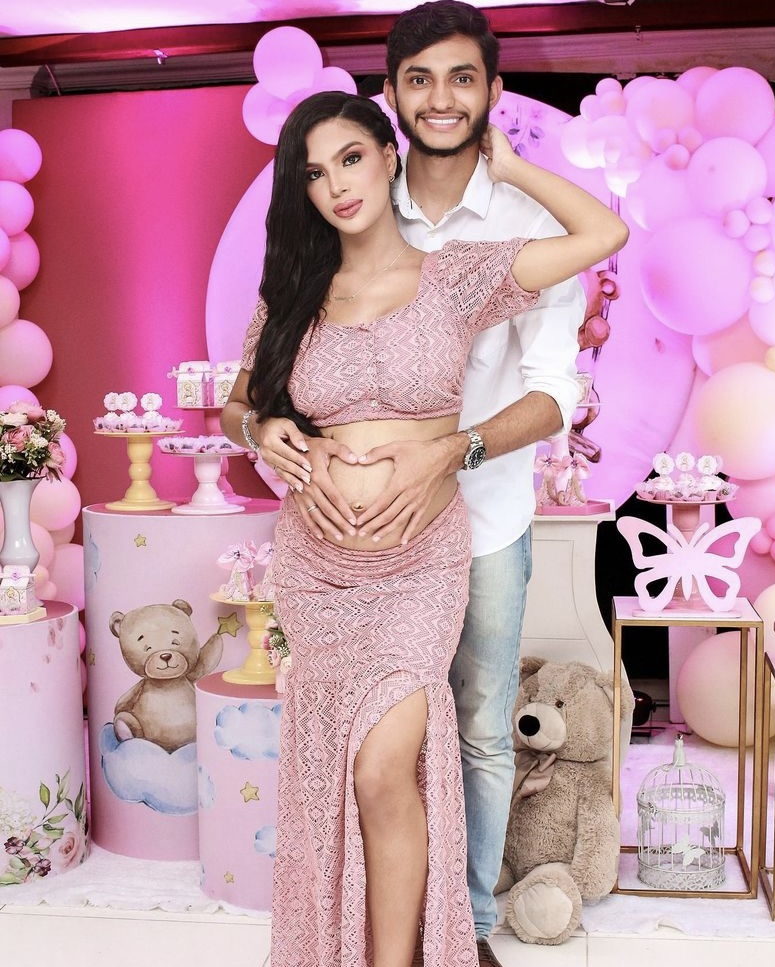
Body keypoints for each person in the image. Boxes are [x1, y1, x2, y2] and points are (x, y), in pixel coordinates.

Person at [221, 89, 625, 967]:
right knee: (343, 770)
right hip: (319, 570)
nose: (337, 185)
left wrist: (511, 168)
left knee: (380, 768)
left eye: (351, 158)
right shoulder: (293, 292)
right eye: (315, 173)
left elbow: (603, 233)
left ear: (389, 156)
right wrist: (259, 426)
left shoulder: (456, 275)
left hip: (416, 567)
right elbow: (237, 402)